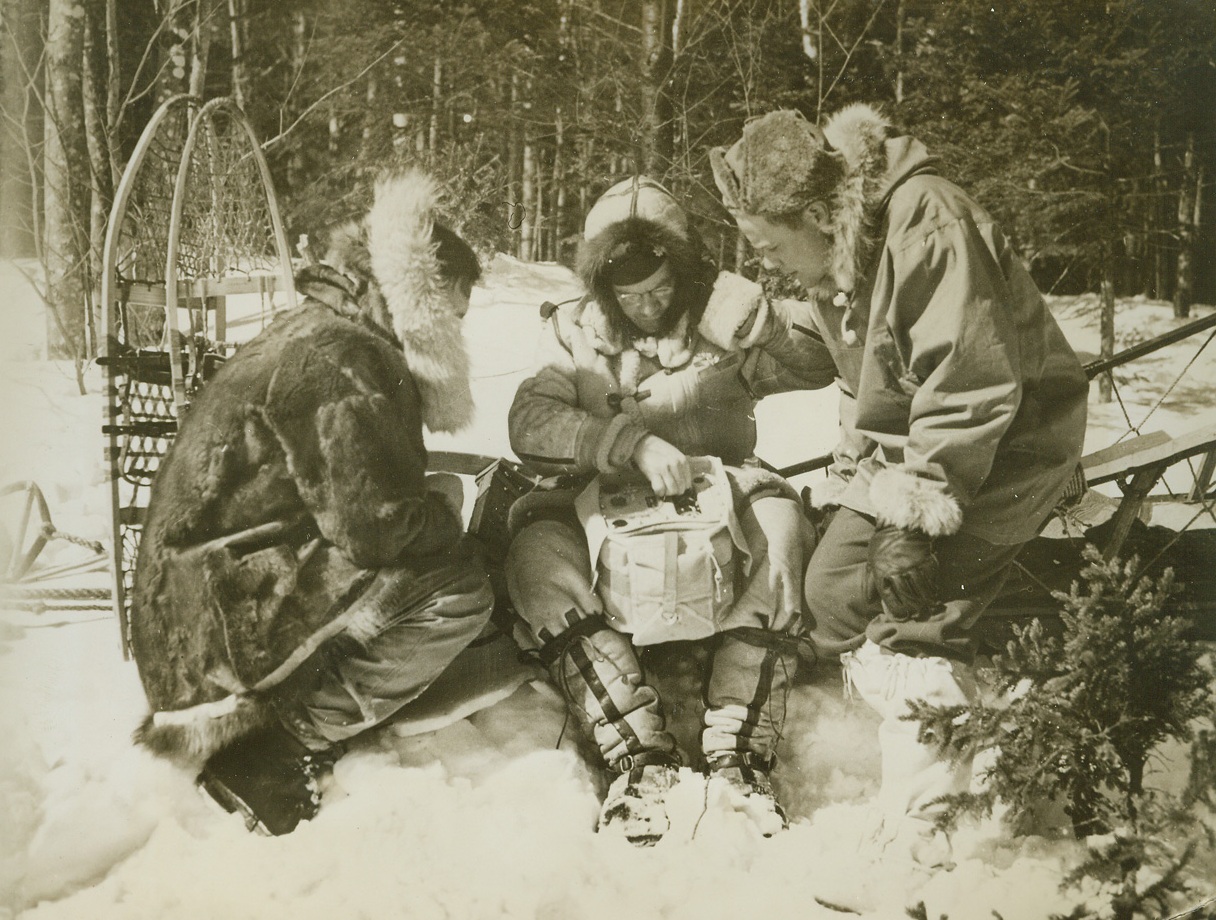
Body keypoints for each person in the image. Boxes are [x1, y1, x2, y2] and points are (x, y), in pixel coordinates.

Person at [711, 106, 1089, 869]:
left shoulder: (928, 225)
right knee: (833, 595)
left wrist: (914, 517)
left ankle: (933, 838)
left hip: (1008, 446)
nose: (770, 266)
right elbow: (860, 348)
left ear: (817, 214)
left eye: (769, 249)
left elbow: (972, 381)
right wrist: (760, 335)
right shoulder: (847, 233)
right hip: (919, 449)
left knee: (909, 616)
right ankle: (987, 726)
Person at [128, 169, 494, 836]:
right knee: (459, 589)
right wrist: (445, 515)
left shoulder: (319, 327)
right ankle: (275, 744)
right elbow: (372, 530)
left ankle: (283, 707)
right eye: (454, 314)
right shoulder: (343, 357)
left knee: (426, 540)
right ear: (421, 300)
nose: (454, 332)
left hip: (188, 602)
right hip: (213, 625)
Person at [504, 175, 838, 844]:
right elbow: (529, 419)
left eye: (660, 289)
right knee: (536, 559)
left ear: (681, 269)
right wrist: (620, 440)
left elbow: (825, 362)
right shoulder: (572, 332)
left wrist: (765, 324)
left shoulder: (721, 323)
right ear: (602, 286)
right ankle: (639, 755)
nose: (647, 307)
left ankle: (738, 756)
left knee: (782, 532)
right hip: (598, 508)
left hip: (726, 497)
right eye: (628, 294)